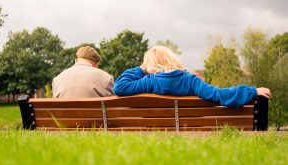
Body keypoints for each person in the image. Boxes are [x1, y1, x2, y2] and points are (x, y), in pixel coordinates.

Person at [113, 46, 271, 108]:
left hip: (155, 132)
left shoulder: (148, 82)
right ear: (172, 59)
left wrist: (141, 69)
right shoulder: (190, 80)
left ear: (150, 64)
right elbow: (218, 95)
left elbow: (119, 87)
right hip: (190, 129)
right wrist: (252, 91)